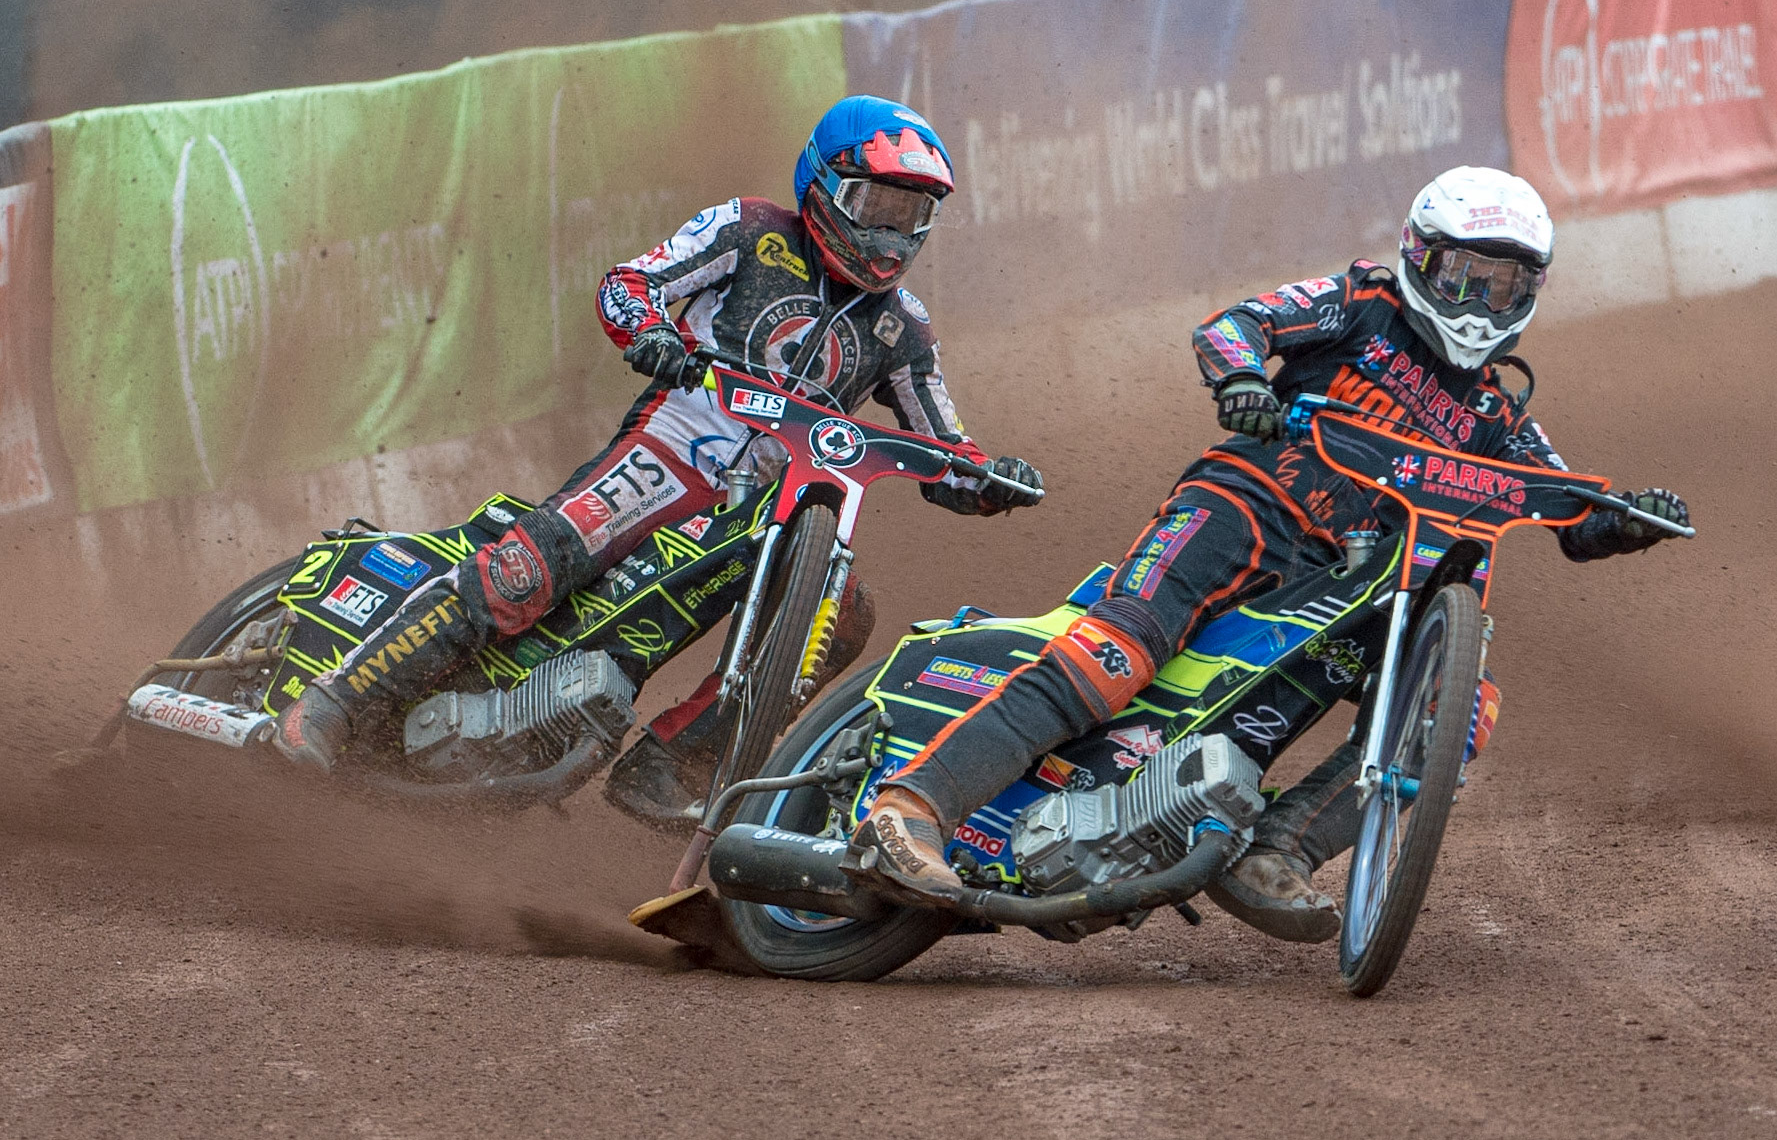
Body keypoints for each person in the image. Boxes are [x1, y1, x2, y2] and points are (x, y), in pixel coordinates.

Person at [851, 166, 1691, 940]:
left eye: (1502, 284)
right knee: (1119, 649)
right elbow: (1234, 325)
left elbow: (1573, 514)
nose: (1479, 301)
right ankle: (913, 806)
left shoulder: (1497, 418)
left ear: (1530, 292)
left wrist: (1630, 519)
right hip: (1243, 508)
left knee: (1460, 706)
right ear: (1417, 257)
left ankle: (1278, 848)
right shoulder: (1358, 302)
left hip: (1346, 589)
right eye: (1464, 276)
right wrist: (1243, 380)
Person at [272, 95, 1044, 826]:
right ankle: (340, 699)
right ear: (824, 187)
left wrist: (992, 480)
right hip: (674, 447)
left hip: (771, 508)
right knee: (529, 570)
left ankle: (671, 764)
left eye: (910, 215)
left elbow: (948, 450)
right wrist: (651, 333)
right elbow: (630, 282)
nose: (889, 234)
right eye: (876, 206)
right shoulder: (750, 230)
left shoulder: (902, 328)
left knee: (840, 616)